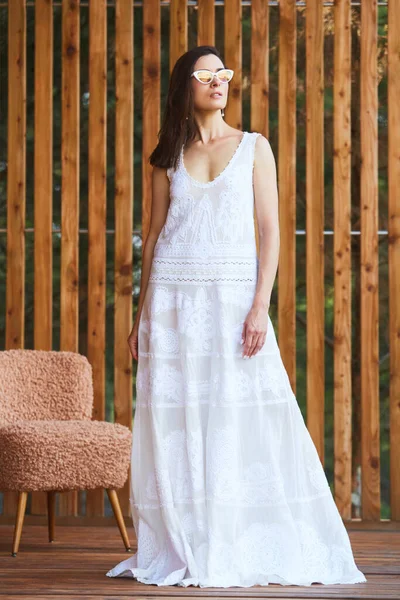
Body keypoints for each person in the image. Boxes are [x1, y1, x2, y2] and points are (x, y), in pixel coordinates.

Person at [106, 45, 367, 588]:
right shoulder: (165, 157)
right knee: (177, 423)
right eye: (206, 76)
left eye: (223, 74)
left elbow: (269, 232)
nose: (218, 82)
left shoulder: (254, 148)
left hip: (230, 302)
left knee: (237, 416)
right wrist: (140, 317)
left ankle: (234, 537)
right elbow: (153, 235)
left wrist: (259, 307)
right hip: (171, 305)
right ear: (186, 87)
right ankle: (184, 540)